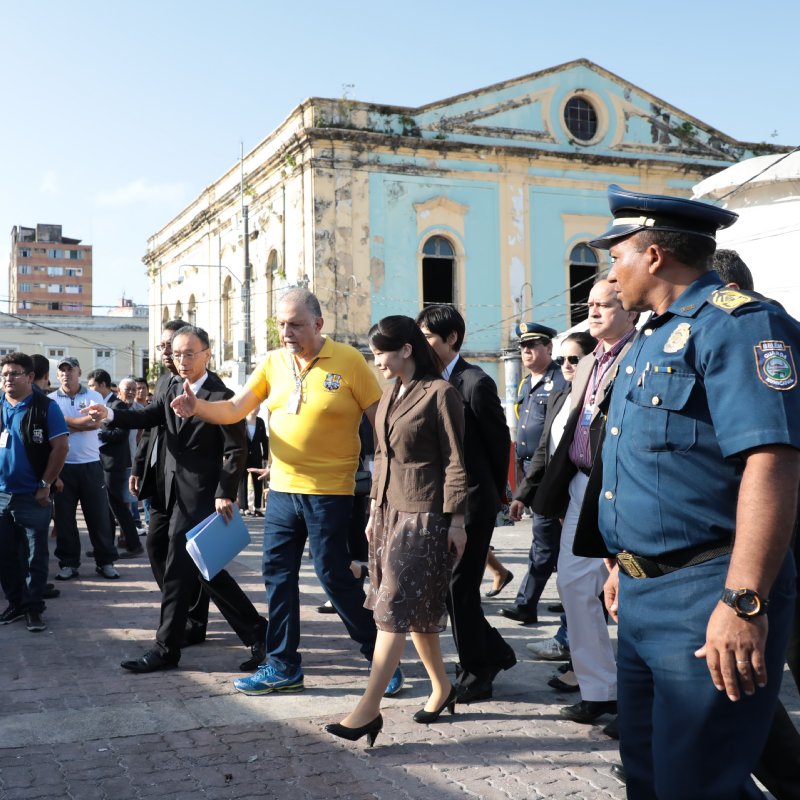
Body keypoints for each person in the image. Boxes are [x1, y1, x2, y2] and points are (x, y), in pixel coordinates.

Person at [588, 184, 799, 798]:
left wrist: (744, 601)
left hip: (709, 594)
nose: (611, 270)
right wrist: (620, 565)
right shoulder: (649, 337)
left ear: (653, 254)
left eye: (616, 255)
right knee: (651, 779)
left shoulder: (741, 325)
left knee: (698, 784)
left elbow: (772, 461)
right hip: (642, 594)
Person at [169, 289, 403, 697]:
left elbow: (380, 423)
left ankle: (381, 660)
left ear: (318, 324)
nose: (286, 332)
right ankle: (282, 665)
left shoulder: (349, 362)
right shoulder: (273, 363)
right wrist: (198, 408)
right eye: (280, 324)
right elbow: (236, 409)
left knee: (333, 576)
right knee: (276, 576)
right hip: (282, 492)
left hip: (331, 491)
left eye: (294, 324)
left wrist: (388, 481)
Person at [85, 326, 267, 673]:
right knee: (186, 560)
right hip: (167, 492)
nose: (181, 360)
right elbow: (148, 417)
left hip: (200, 497)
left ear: (206, 354)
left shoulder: (221, 396)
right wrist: (110, 414)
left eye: (189, 354)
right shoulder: (169, 385)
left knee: (179, 570)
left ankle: (166, 647)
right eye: (176, 353)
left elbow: (235, 450)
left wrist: (225, 493)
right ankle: (257, 631)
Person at [325, 315, 467, 747]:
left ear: (406, 349)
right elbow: (381, 457)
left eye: (381, 352)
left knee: (392, 609)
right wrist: (372, 510)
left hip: (424, 515)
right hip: (387, 514)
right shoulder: (387, 394)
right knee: (415, 609)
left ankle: (368, 710)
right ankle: (442, 689)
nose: (377, 361)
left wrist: (457, 520)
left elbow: (457, 462)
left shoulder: (441, 393)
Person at [512, 278, 638, 728]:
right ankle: (599, 689)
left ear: (630, 310)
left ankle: (637, 698)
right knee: (572, 585)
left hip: (624, 488)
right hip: (582, 488)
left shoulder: (639, 353)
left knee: (632, 595)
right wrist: (541, 491)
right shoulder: (588, 363)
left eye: (603, 305)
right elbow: (563, 434)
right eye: (590, 305)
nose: (593, 312)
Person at [416, 304, 516, 703]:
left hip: (473, 501)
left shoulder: (474, 382)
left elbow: (497, 443)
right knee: (448, 587)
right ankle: (492, 650)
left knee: (460, 586)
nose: (420, 346)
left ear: (451, 338)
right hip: (438, 502)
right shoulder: (425, 381)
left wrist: (494, 494)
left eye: (427, 338)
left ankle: (478, 669)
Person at [511, 330, 596, 669]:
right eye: (563, 360)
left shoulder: (601, 394)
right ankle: (579, 656)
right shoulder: (564, 395)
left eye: (574, 359)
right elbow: (546, 449)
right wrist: (530, 496)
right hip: (569, 499)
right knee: (574, 583)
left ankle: (580, 657)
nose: (567, 366)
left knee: (586, 584)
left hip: (595, 498)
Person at [130, 320, 212, 653]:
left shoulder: (208, 388)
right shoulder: (165, 381)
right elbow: (149, 427)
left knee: (197, 560)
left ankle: (190, 621)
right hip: (161, 479)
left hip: (191, 485)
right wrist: (137, 467)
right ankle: (176, 612)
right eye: (165, 348)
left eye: (173, 347)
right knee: (156, 546)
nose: (167, 353)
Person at [500, 322, 566, 624]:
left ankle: (526, 604)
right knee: (555, 542)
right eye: (522, 347)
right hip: (529, 467)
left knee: (544, 541)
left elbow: (546, 438)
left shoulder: (559, 381)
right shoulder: (527, 383)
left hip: (549, 472)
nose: (526, 351)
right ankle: (569, 599)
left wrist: (525, 488)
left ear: (549, 348)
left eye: (534, 345)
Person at [0, 353, 68, 632]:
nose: (8, 379)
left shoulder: (45, 407)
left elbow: (61, 448)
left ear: (29, 377)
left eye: (14, 373)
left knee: (34, 556)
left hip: (33, 495)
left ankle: (33, 608)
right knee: (5, 555)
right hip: (2, 496)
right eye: (4, 374)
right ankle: (16, 603)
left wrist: (46, 484)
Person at [49, 357, 120, 580]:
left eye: (71, 370)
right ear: (57, 375)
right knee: (64, 519)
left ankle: (105, 561)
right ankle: (69, 563)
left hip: (91, 465)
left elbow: (95, 423)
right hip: (63, 467)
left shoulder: (94, 396)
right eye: (62, 371)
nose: (67, 374)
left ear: (79, 372)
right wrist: (77, 423)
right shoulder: (50, 400)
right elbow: (72, 426)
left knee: (98, 517)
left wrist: (64, 422)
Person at [86, 369, 143, 558]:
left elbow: (122, 433)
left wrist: (101, 435)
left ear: (103, 385)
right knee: (106, 506)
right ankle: (105, 547)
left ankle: (134, 545)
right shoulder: (102, 403)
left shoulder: (117, 405)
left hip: (115, 463)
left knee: (117, 505)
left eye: (93, 385)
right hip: (102, 461)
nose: (90, 389)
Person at [237, 408, 268, 516]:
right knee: (242, 482)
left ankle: (258, 508)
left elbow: (264, 439)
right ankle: (244, 508)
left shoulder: (260, 422)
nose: (257, 408)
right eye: (255, 405)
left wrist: (265, 456)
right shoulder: (241, 421)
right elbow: (236, 439)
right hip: (243, 456)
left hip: (256, 456)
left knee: (258, 482)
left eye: (259, 406)